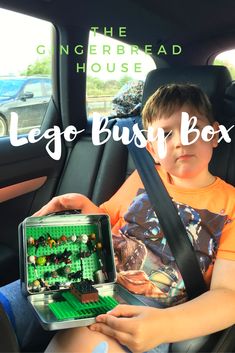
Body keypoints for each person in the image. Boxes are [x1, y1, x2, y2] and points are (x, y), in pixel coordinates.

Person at [1, 83, 235, 353]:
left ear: (215, 134)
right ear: (152, 150)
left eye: (192, 128)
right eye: (166, 134)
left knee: (77, 344)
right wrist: (84, 207)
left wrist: (164, 325)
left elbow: (228, 295)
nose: (181, 141)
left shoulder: (230, 205)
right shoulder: (144, 178)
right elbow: (106, 222)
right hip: (91, 279)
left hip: (148, 311)